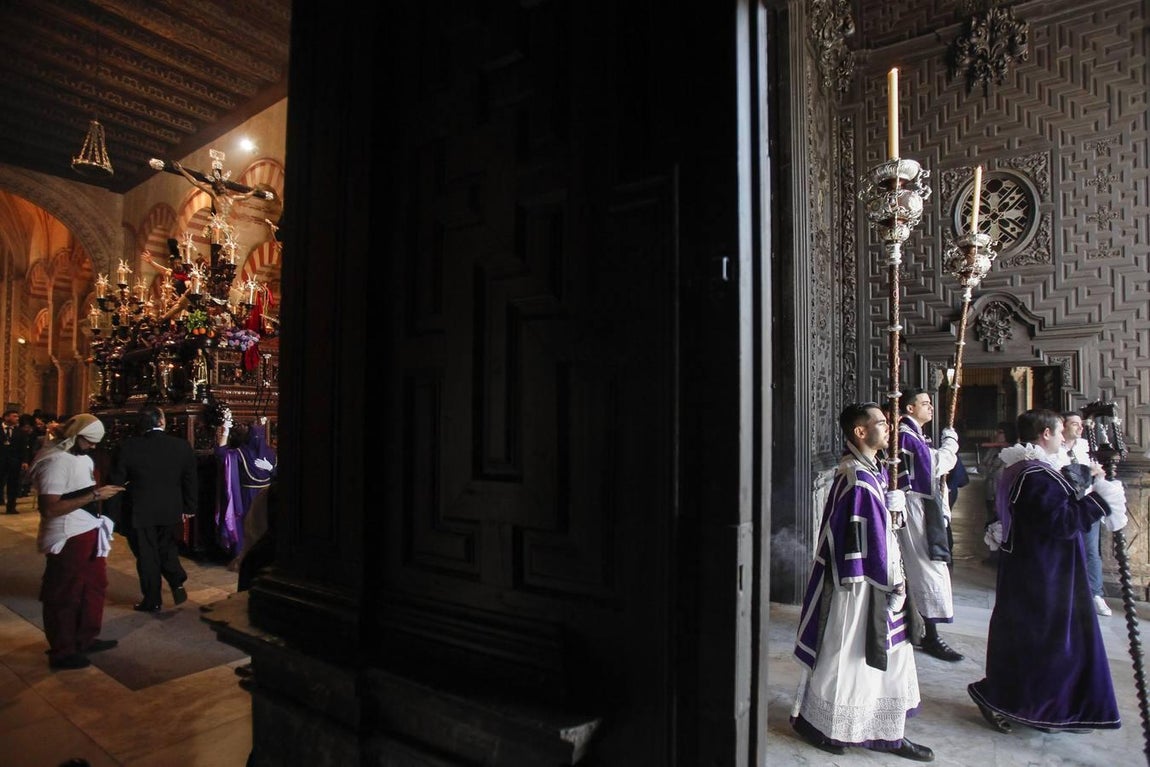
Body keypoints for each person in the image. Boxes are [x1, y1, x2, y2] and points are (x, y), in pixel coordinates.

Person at [790, 402, 934, 762]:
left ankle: (887, 730)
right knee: (849, 656)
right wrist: (891, 583)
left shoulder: (873, 470)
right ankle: (822, 725)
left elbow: (881, 528)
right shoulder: (856, 478)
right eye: (882, 423)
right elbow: (859, 542)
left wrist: (892, 509)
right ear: (860, 431)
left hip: (880, 581)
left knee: (890, 657)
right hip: (858, 587)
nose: (889, 428)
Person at [969, 408, 1125, 734]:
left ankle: (1048, 705)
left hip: (1043, 567)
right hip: (1043, 572)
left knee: (1040, 642)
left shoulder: (1027, 468)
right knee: (1044, 642)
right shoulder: (1033, 474)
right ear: (1046, 435)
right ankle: (1013, 700)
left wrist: (1088, 479)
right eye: (1059, 431)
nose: (1064, 437)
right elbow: (1061, 522)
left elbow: (1057, 497)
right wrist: (1099, 502)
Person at [30, 414, 126, 669]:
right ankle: (62, 650)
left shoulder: (79, 457)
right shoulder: (55, 462)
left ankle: (84, 637)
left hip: (89, 530)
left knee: (94, 586)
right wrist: (95, 494)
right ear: (76, 436)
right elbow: (50, 509)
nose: (94, 446)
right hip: (68, 534)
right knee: (66, 592)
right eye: (90, 441)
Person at [108, 405, 198, 612]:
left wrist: (111, 515)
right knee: (166, 547)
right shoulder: (181, 446)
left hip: (140, 510)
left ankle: (152, 599)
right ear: (161, 422)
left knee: (147, 555)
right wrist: (189, 506)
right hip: (171, 508)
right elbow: (190, 480)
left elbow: (115, 483)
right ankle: (176, 580)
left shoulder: (128, 447)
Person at [896, 387, 963, 662]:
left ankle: (923, 629)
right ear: (910, 408)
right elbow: (933, 465)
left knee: (929, 566)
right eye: (924, 403)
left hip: (924, 507)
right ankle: (931, 635)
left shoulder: (914, 434)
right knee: (926, 567)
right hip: (914, 508)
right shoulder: (905, 434)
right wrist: (950, 445)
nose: (930, 407)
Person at [1059, 410, 1111, 617]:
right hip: (1065, 503)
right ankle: (1067, 592)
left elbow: (1097, 471)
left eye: (1080, 424)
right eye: (1074, 424)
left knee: (1091, 549)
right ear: (1062, 426)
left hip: (1086, 502)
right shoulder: (1056, 447)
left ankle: (1095, 594)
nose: (1080, 428)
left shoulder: (1086, 446)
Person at [214, 411, 276, 568]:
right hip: (257, 494)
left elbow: (221, 454)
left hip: (255, 495)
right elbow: (221, 454)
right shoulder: (264, 452)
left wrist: (225, 431)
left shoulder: (246, 453)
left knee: (255, 524)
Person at [0, 408, 34, 513]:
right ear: (6, 417)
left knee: (13, 485)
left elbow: (24, 448)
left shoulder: (20, 432)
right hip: (1, 460)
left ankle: (11, 507)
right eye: (14, 416)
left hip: (14, 461)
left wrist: (25, 461)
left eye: (17, 416)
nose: (17, 418)